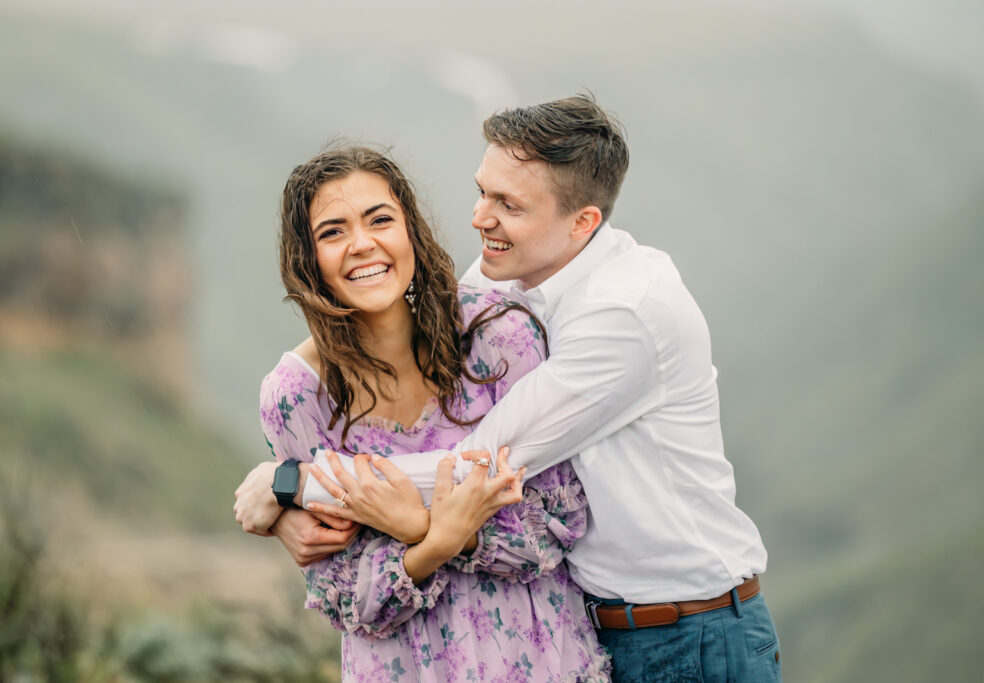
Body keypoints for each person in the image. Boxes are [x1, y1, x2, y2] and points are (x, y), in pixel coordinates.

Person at [273, 95, 783, 681]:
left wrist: (291, 484)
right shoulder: (514, 279)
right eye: (482, 190)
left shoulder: (626, 313)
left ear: (582, 222)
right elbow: (413, 307)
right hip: (599, 630)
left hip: (692, 634)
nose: (479, 217)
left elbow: (479, 466)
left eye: (508, 205)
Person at [234, 146, 611, 682]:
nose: (363, 245)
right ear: (307, 258)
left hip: (540, 661)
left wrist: (415, 527)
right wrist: (433, 542)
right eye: (333, 232)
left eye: (380, 220)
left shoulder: (499, 338)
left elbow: (559, 522)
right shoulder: (296, 397)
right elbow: (344, 597)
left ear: (409, 228)